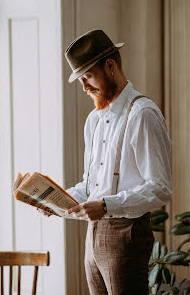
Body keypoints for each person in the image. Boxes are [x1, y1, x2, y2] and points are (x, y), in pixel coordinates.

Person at [41, 29, 172, 295]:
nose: (84, 87)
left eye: (88, 76)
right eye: (80, 79)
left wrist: (105, 206)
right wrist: (58, 201)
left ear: (110, 66)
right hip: (93, 235)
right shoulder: (94, 121)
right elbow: (92, 186)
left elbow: (161, 188)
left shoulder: (142, 114)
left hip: (127, 233)